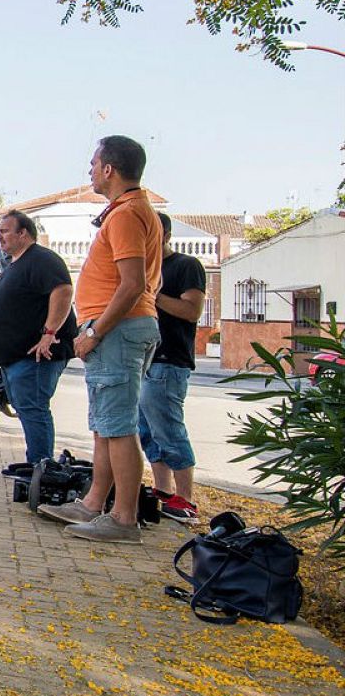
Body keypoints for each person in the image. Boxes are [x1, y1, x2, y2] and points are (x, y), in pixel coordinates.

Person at [38, 135, 163, 544]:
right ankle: (94, 503)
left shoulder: (127, 214)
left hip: (119, 331)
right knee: (106, 426)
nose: (89, 170)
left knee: (120, 427)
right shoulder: (127, 212)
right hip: (122, 329)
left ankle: (124, 518)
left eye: (93, 163)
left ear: (109, 169)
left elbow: (132, 285)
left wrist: (94, 330)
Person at [0, 210, 78, 465]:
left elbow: (63, 291)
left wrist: (49, 333)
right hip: (16, 359)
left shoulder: (41, 259)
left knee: (34, 409)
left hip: (36, 355)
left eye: (5, 231)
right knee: (27, 409)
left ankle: (41, 467)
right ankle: (37, 463)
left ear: (23, 233)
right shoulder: (17, 263)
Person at [138, 211, 206, 522]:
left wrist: (152, 295)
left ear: (164, 235)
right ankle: (163, 489)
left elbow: (192, 310)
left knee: (168, 427)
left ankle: (186, 499)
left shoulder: (186, 266)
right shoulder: (144, 268)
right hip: (141, 360)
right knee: (146, 430)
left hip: (169, 360)